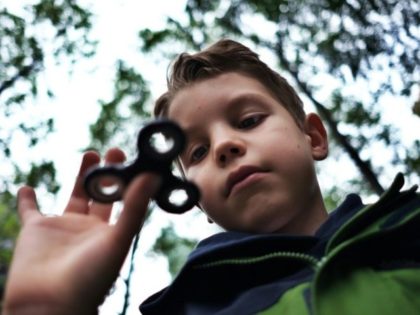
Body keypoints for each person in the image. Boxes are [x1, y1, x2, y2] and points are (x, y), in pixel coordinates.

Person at [2, 39, 420, 315]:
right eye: (197, 152)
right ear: (194, 199)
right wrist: (43, 308)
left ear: (312, 136)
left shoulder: (410, 227)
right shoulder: (189, 306)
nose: (223, 146)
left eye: (249, 120)